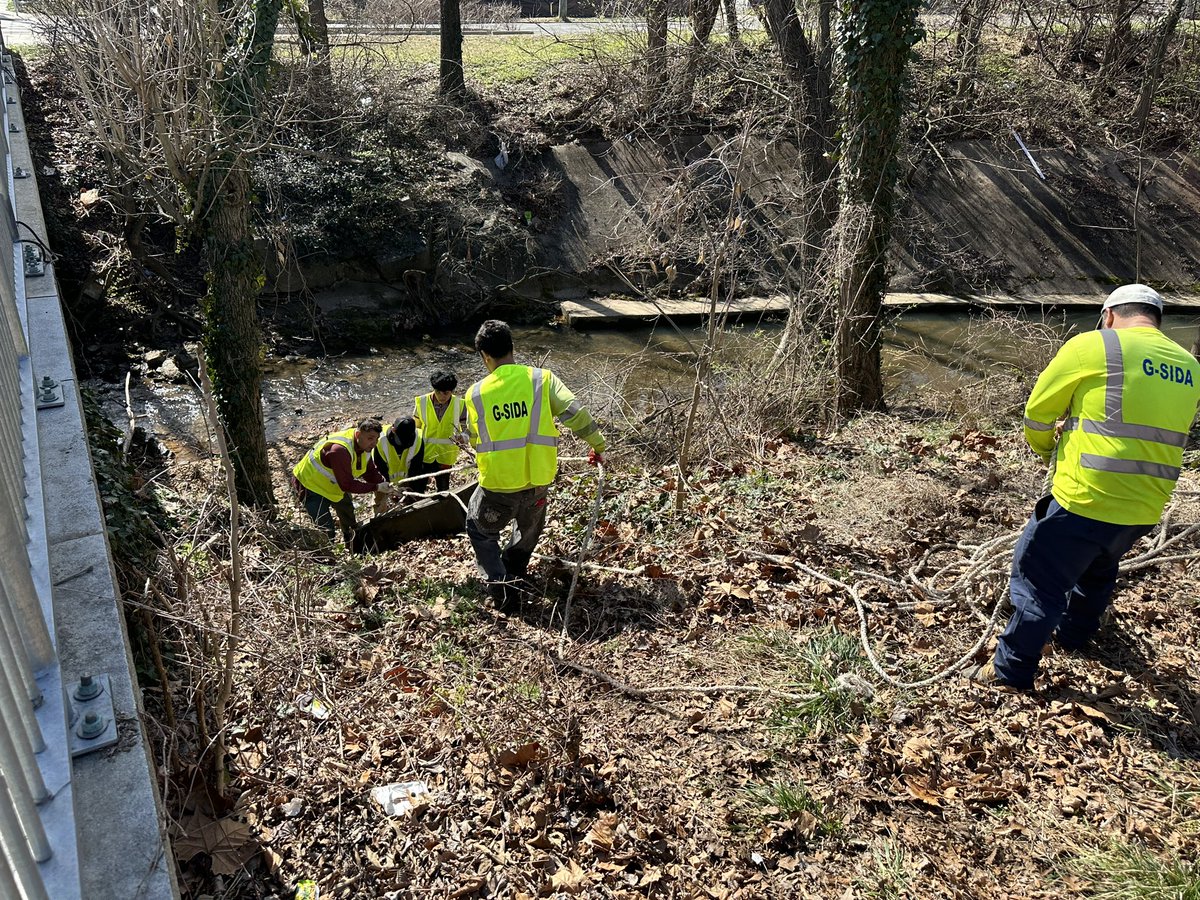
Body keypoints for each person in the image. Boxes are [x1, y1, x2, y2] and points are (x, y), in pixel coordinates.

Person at [973, 284, 1200, 690]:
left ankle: (1010, 671)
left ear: (1108, 315)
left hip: (1084, 496)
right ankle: (1075, 637)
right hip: (1146, 505)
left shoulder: (1093, 345)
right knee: (1098, 567)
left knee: (1038, 577)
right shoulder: (1189, 366)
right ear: (1156, 320)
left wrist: (1047, 450)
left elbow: (1038, 414)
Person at [465, 320, 606, 609]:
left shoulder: (475, 394)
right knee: (528, 531)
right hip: (538, 480)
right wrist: (598, 445)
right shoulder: (542, 379)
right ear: (512, 348)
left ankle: (501, 586)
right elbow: (575, 414)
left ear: (484, 356)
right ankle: (514, 571)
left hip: (498, 485)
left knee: (479, 528)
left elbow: (475, 438)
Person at [291, 418, 396, 545]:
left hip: (334, 485)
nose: (374, 443)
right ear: (358, 434)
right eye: (370, 438)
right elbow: (347, 485)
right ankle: (328, 551)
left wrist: (386, 486)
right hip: (310, 486)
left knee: (348, 515)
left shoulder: (364, 445)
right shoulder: (339, 450)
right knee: (326, 528)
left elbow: (369, 472)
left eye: (376, 439)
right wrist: (377, 487)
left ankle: (352, 544)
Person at [411, 370, 467, 494]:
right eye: (438, 392)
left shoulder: (460, 404)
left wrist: (464, 437)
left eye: (446, 393)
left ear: (452, 391)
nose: (442, 396)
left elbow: (466, 428)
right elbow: (416, 428)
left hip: (446, 455)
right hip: (425, 453)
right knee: (419, 487)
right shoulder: (422, 402)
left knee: (443, 488)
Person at [371, 417, 425, 515]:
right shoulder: (380, 440)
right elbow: (380, 470)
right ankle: (379, 518)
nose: (406, 445)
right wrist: (390, 490)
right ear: (393, 430)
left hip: (406, 476)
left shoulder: (418, 439)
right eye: (403, 440)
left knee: (411, 497)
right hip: (382, 477)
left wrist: (413, 492)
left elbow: (416, 469)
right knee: (380, 500)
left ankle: (411, 515)